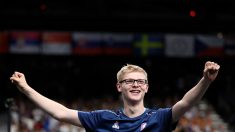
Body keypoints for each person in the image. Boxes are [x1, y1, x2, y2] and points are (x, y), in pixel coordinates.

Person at [10, 61, 220, 131]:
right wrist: (26, 88)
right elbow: (60, 113)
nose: (135, 84)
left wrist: (206, 81)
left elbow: (186, 102)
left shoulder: (160, 118)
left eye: (140, 81)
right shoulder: (102, 119)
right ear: (119, 87)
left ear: (147, 87)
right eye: (129, 81)